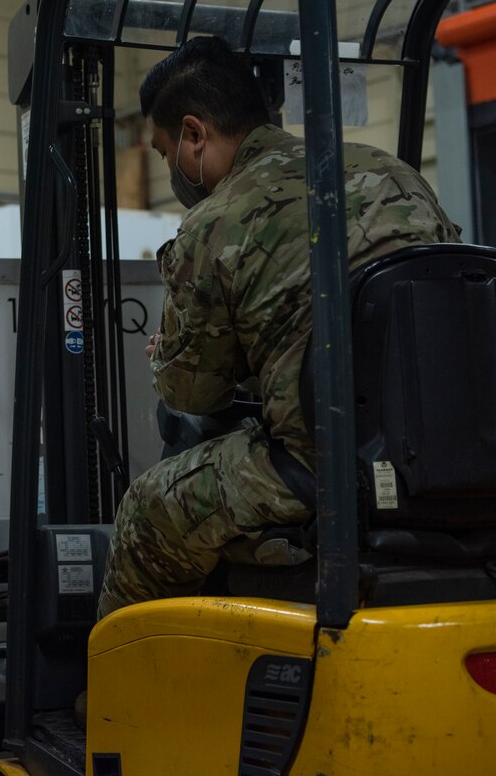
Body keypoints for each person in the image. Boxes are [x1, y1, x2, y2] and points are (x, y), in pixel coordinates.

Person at [97, 36, 461, 618]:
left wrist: (168, 352)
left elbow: (193, 394)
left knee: (147, 508)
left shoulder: (213, 223)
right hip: (452, 450)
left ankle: (113, 697)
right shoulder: (395, 174)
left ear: (195, 134)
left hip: (325, 466)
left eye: (167, 154)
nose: (172, 170)